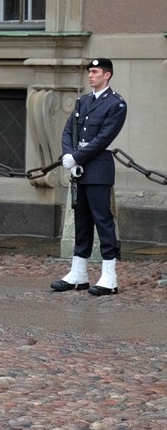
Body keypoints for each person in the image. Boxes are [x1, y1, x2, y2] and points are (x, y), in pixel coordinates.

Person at [51, 58, 128, 297]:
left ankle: (109, 276)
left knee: (102, 220)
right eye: (89, 72)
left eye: (95, 72)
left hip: (97, 168)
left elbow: (103, 138)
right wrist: (68, 156)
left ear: (108, 75)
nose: (90, 76)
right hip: (79, 167)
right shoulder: (82, 101)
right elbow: (68, 131)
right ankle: (78, 273)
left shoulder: (116, 104)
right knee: (82, 221)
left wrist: (77, 158)